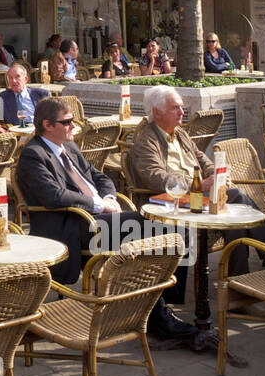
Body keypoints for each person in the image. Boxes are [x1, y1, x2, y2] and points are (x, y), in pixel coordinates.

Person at [15, 97, 193, 338]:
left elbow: (100, 177)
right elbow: (54, 196)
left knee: (172, 225)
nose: (73, 126)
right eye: (67, 122)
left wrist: (109, 198)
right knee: (154, 227)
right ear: (48, 125)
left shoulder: (69, 147)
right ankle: (157, 316)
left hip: (96, 218)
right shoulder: (33, 155)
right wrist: (100, 204)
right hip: (72, 226)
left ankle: (163, 302)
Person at [125, 86, 265, 270]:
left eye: (182, 107)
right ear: (157, 112)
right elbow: (157, 179)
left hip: (196, 197)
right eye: (175, 108)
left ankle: (238, 274)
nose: (182, 112)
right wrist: (199, 185)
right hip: (171, 203)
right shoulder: (146, 141)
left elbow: (202, 159)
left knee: (233, 207)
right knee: (237, 197)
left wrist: (217, 175)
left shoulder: (180, 134)